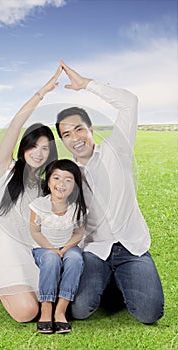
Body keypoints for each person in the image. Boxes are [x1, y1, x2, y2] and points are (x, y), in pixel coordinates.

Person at [55, 60, 164, 324]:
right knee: (80, 310)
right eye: (67, 134)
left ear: (91, 130)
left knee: (150, 314)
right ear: (63, 141)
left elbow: (130, 102)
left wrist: (86, 85)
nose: (75, 137)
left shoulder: (118, 149)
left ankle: (120, 280)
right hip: (95, 251)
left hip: (132, 247)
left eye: (79, 128)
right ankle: (110, 284)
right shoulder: (64, 175)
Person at [0, 65, 62, 322]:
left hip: (29, 250)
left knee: (53, 301)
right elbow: (15, 123)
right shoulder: (6, 169)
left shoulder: (45, 186)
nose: (38, 153)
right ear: (24, 147)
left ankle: (5, 288)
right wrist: (42, 92)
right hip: (3, 249)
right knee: (27, 313)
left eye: (45, 149)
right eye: (33, 146)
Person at [30, 159, 86, 333]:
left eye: (68, 180)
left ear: (75, 186)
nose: (61, 184)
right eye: (56, 178)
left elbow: (78, 233)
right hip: (43, 247)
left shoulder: (76, 208)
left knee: (76, 258)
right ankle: (46, 308)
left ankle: (61, 309)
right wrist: (53, 249)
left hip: (68, 246)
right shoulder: (39, 205)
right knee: (51, 259)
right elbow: (35, 232)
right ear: (48, 181)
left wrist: (67, 248)